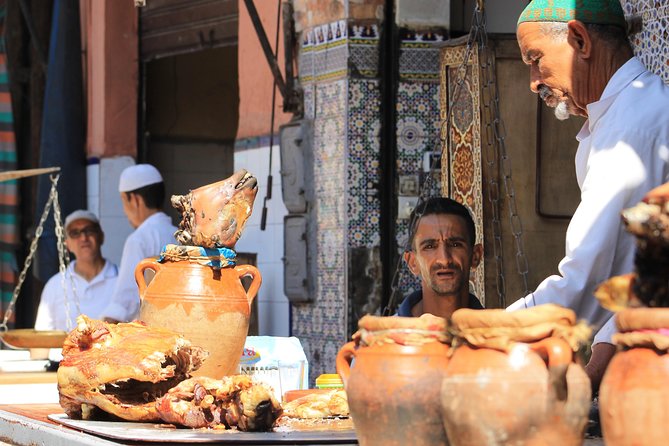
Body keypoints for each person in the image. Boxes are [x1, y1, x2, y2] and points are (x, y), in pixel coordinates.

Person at [509, 0, 669, 393]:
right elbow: (634, 279)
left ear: (579, 40)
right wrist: (601, 353)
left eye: (536, 59)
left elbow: (591, 278)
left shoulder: (630, 129)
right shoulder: (621, 117)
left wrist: (497, 330)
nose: (533, 81)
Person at [100, 164, 177, 323]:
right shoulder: (179, 235)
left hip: (150, 334)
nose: (124, 211)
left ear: (135, 200)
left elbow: (126, 301)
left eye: (123, 201)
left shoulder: (138, 240)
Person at [398, 197, 484, 319]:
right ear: (413, 263)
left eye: (455, 245)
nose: (444, 259)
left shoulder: (500, 334)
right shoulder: (387, 336)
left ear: (475, 256)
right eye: (429, 247)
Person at [34, 210, 118, 331]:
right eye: (75, 233)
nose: (84, 238)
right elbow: (40, 340)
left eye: (89, 230)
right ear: (67, 244)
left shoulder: (122, 280)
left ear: (101, 237)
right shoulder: (54, 285)